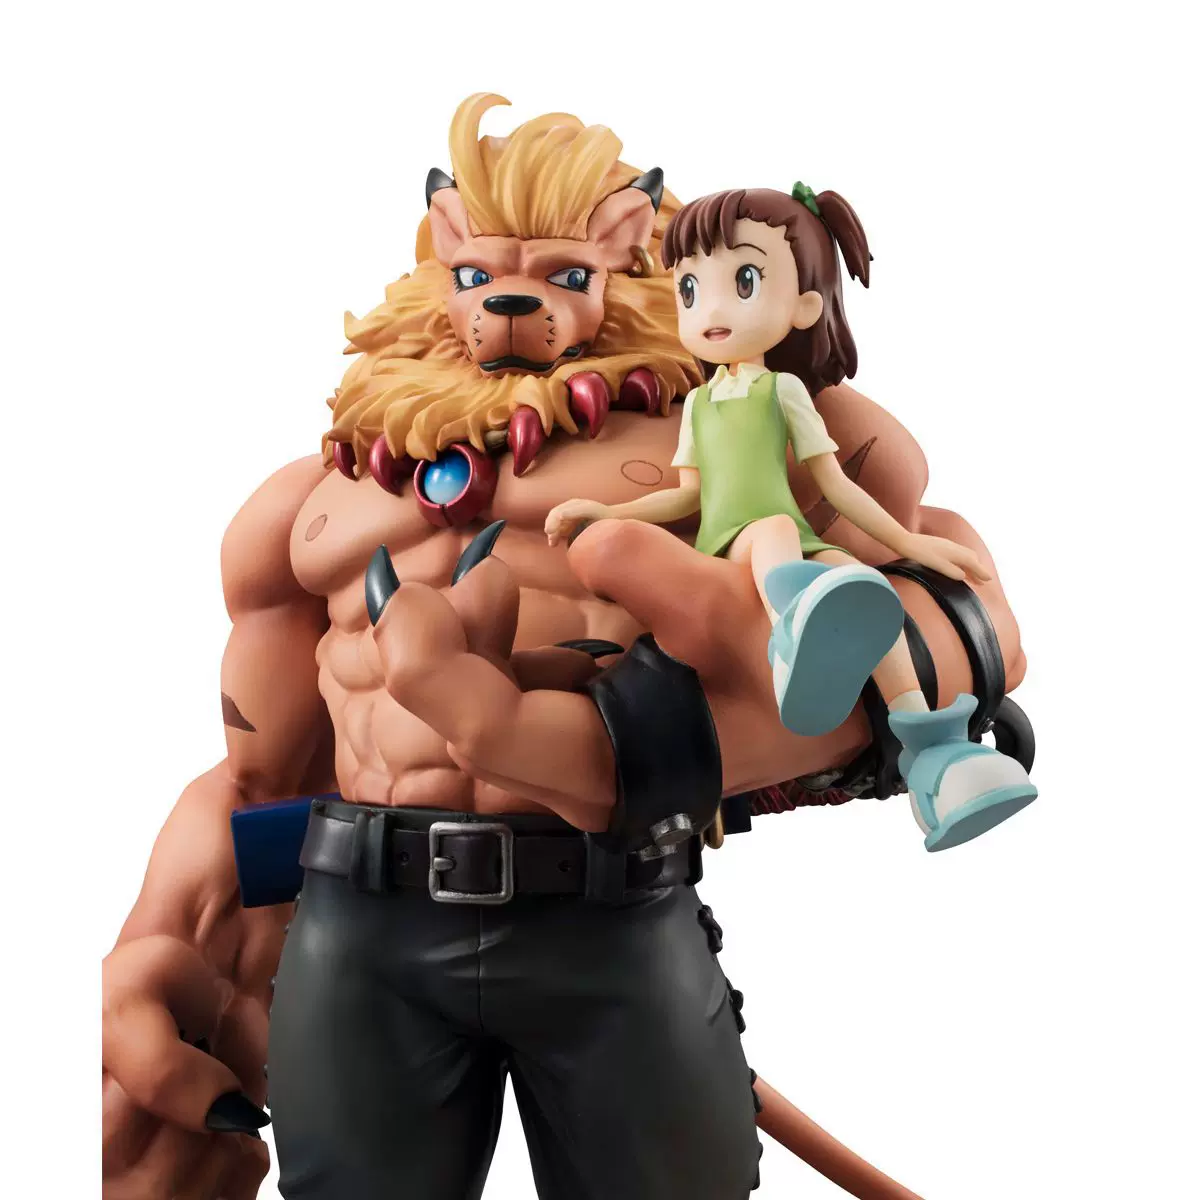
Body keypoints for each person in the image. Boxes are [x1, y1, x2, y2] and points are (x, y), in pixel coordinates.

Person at [547, 184, 1037, 850]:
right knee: (778, 535)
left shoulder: (784, 392)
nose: (712, 308)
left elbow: (835, 485)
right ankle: (792, 644)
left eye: (743, 282)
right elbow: (686, 498)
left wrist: (911, 545)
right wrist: (603, 509)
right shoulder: (700, 407)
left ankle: (934, 754)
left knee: (867, 593)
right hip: (734, 544)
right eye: (690, 289)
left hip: (792, 544)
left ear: (805, 304)